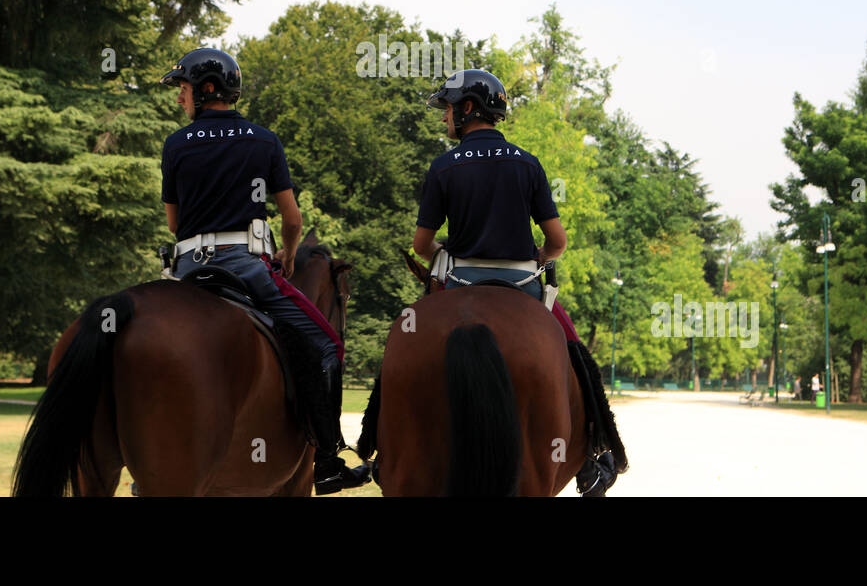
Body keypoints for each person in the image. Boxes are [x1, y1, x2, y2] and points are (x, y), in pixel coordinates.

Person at [160, 47, 369, 495]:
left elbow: (174, 224)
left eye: (182, 89)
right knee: (327, 343)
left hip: (186, 271)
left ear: (205, 89)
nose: (180, 99)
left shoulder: (175, 144)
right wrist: (288, 255)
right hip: (245, 266)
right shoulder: (263, 140)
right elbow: (292, 220)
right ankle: (328, 460)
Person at [412, 68, 627, 496]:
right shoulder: (528, 163)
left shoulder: (443, 166)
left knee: (406, 337)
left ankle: (378, 447)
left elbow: (420, 245)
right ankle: (596, 455)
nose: (444, 118)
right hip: (523, 285)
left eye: (449, 109)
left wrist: (447, 253)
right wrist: (539, 260)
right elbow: (557, 241)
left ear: (468, 108)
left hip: (459, 283)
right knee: (576, 352)